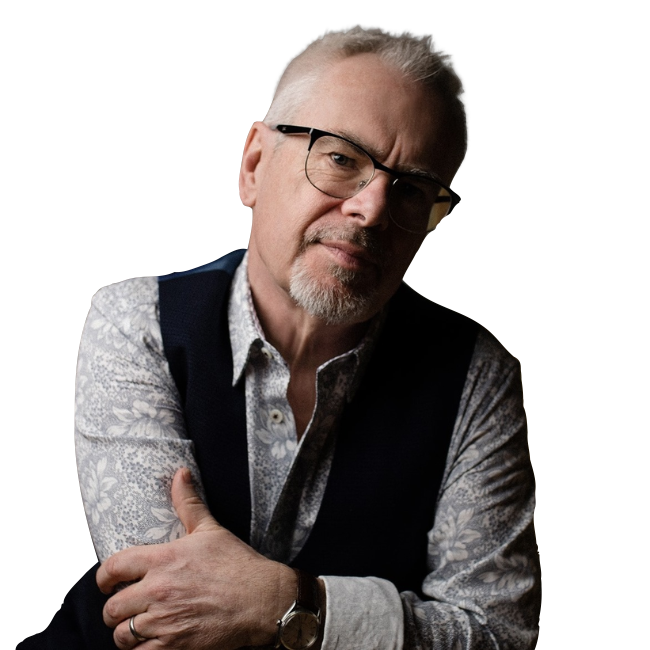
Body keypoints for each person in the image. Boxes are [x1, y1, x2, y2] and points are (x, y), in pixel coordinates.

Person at [21, 25, 540, 649]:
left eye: (411, 190)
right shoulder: (135, 321)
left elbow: (498, 635)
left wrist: (290, 603)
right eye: (342, 159)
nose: (372, 209)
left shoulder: (477, 377)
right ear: (254, 165)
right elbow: (164, 611)